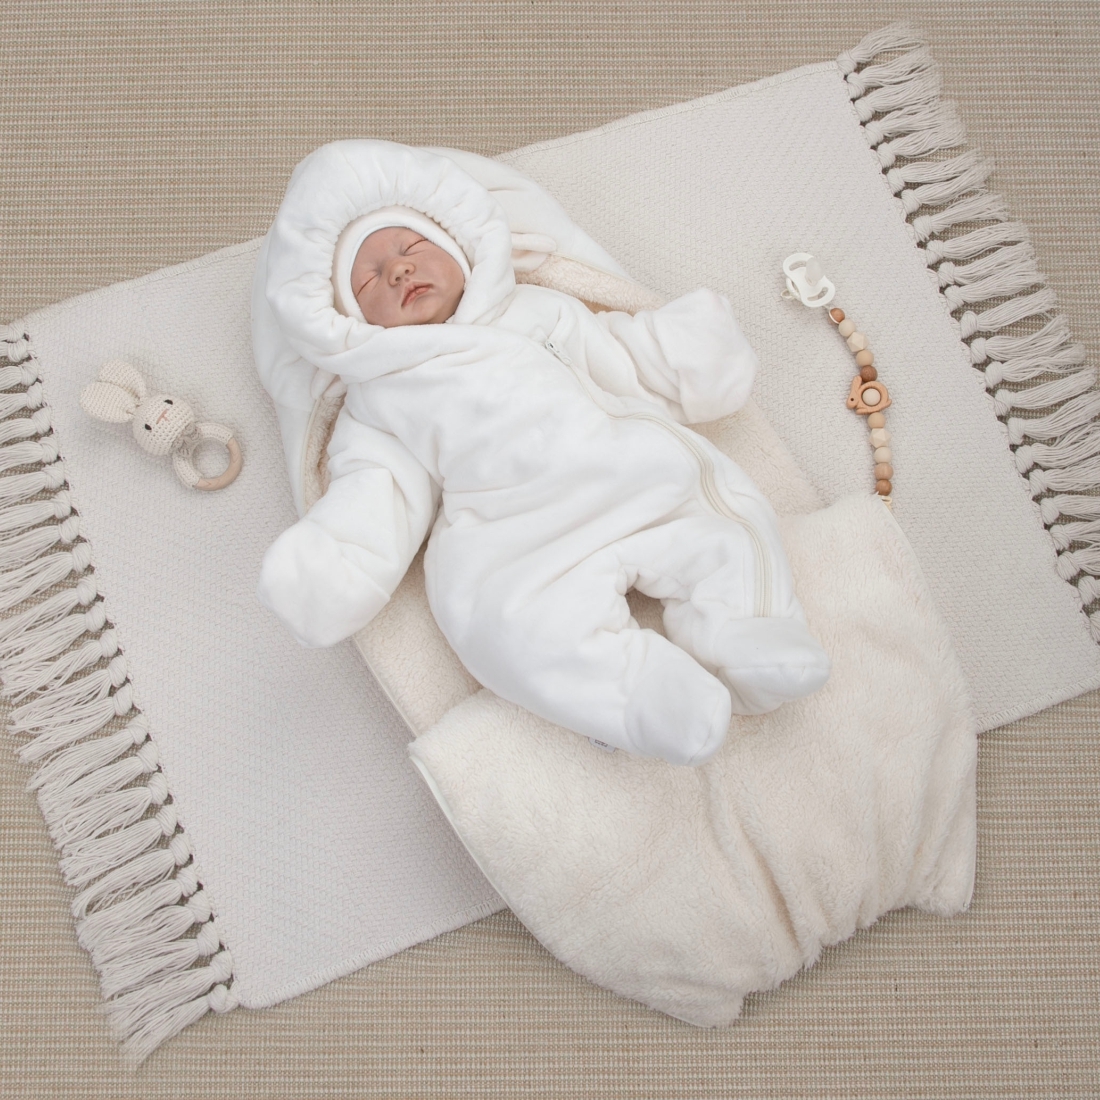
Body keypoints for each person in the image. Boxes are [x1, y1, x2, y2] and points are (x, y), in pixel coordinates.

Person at [255, 140, 830, 766]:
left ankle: (749, 634)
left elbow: (619, 358)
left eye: (412, 246)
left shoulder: (538, 312)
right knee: (505, 627)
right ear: (347, 321)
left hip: (632, 477)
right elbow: (378, 489)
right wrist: (334, 558)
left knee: (725, 524)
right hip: (517, 540)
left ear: (461, 247)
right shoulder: (380, 398)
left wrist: (684, 351)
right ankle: (640, 697)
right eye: (368, 278)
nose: (397, 270)